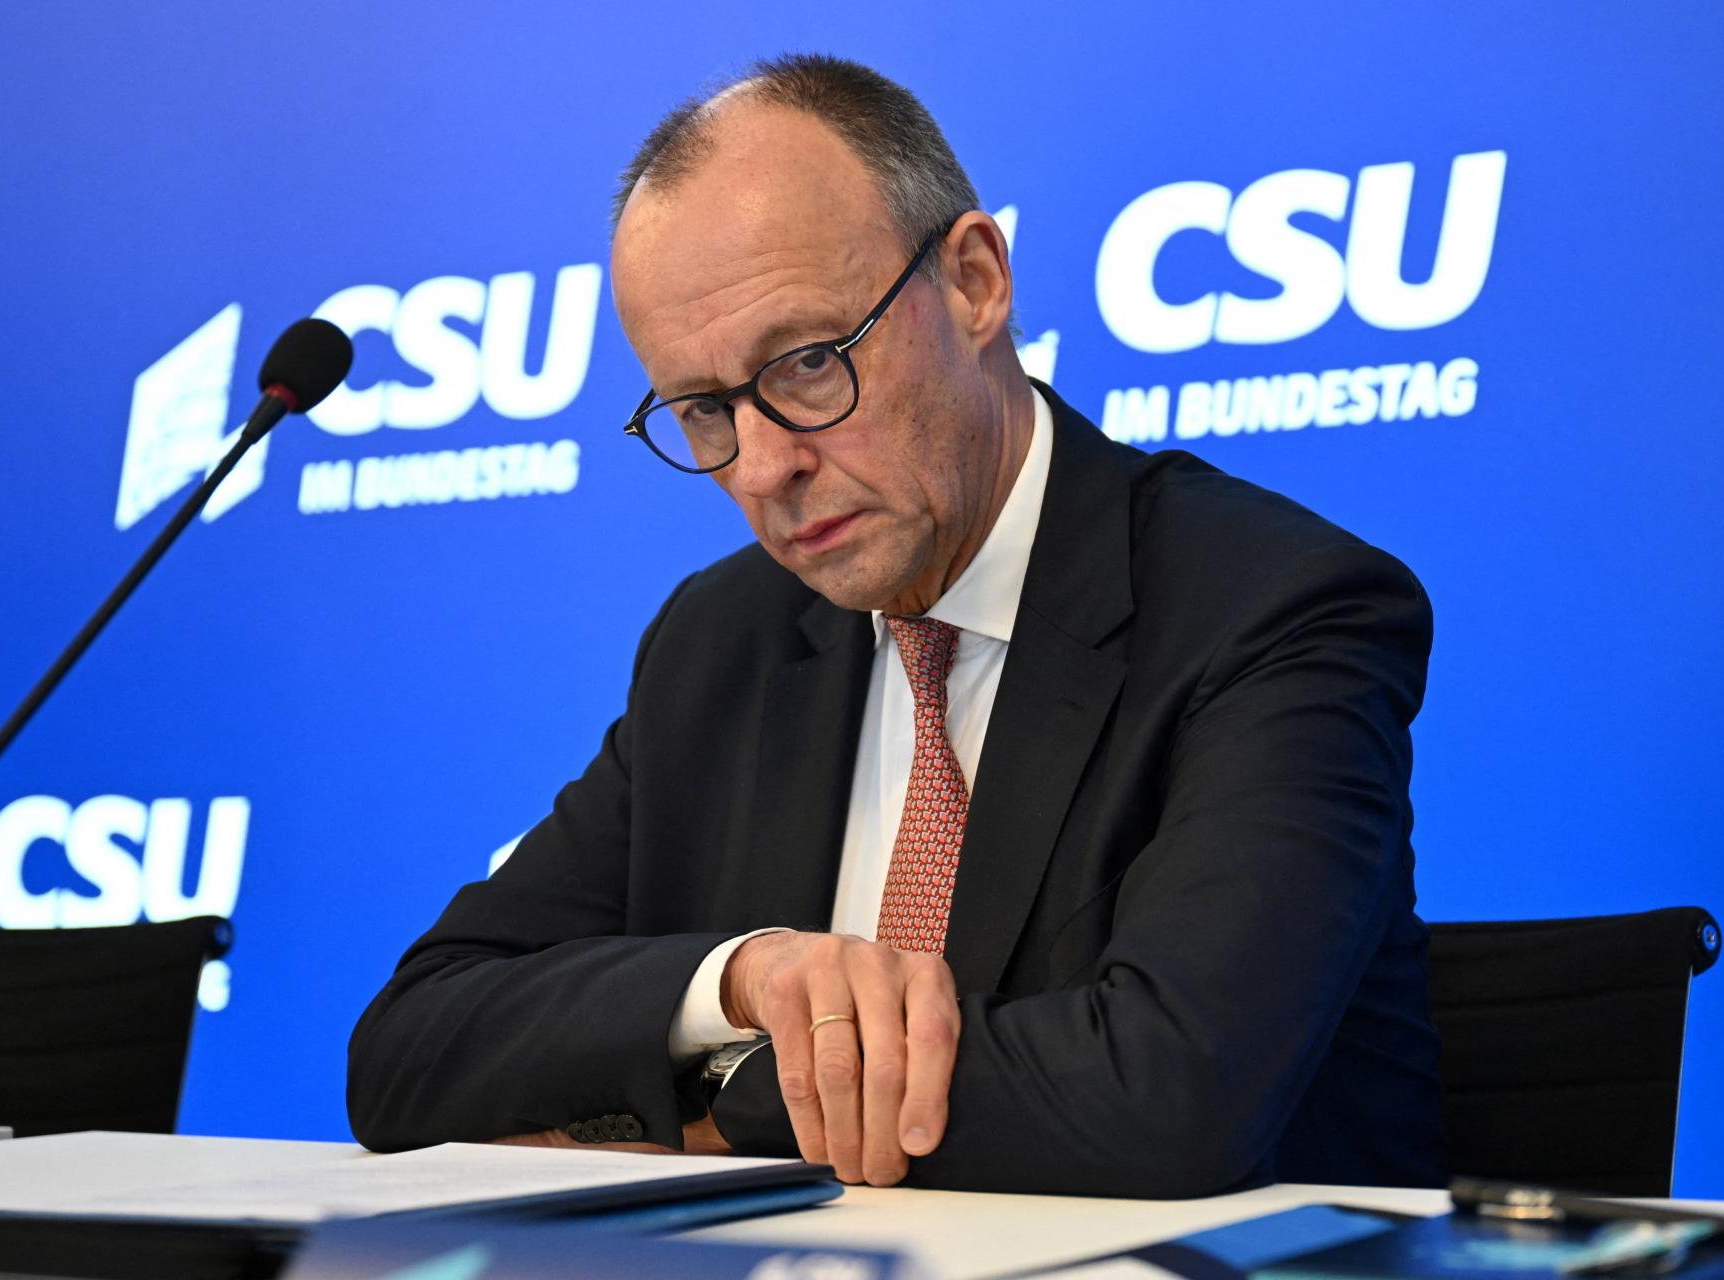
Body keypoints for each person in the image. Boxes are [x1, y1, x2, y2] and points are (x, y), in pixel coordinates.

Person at [348, 53, 1443, 1198]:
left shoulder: (1269, 604)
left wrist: (723, 1105)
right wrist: (738, 981)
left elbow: (1170, 1096)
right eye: (703, 409)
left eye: (808, 364)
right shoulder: (723, 641)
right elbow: (407, 1048)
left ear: (974, 283)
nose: (762, 466)